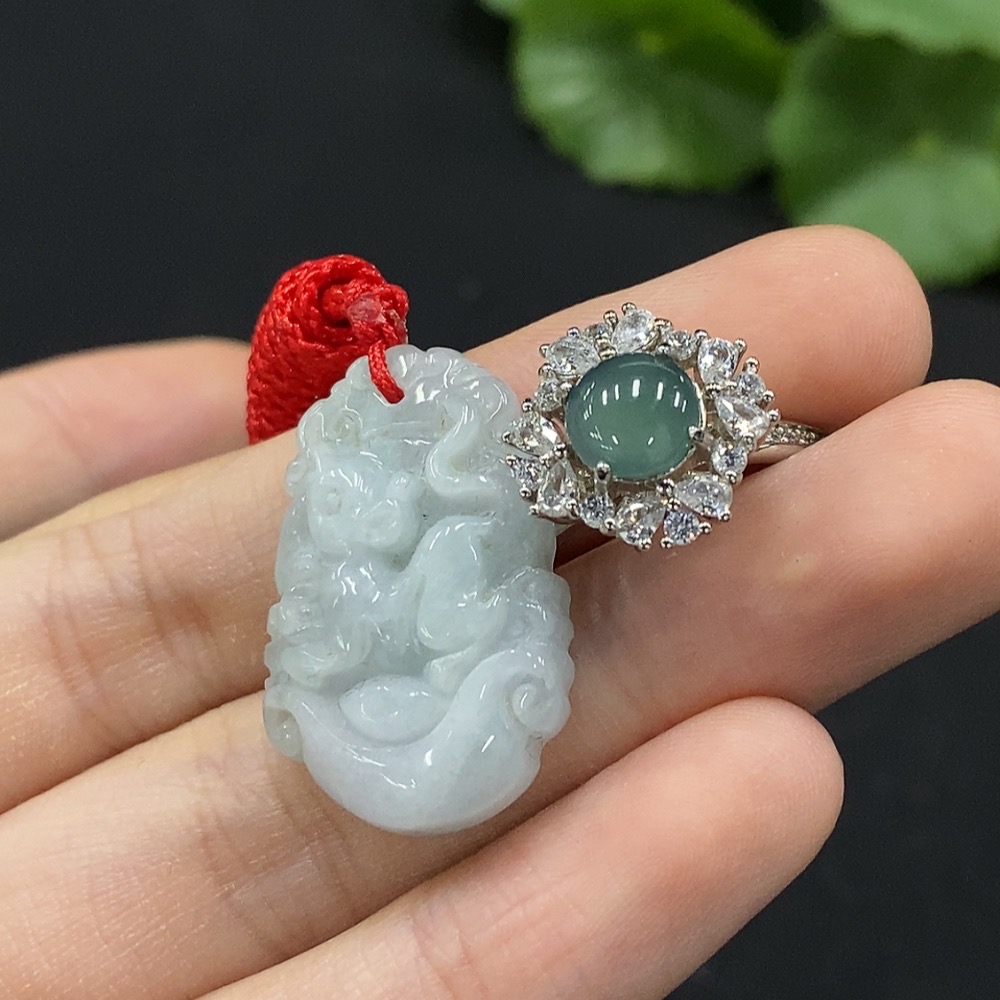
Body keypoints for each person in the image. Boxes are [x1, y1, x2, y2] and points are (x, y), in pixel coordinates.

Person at [0, 225, 996, 999]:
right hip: (395, 683)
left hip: (443, 662)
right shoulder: (367, 515)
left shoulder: (460, 516)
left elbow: (451, 586)